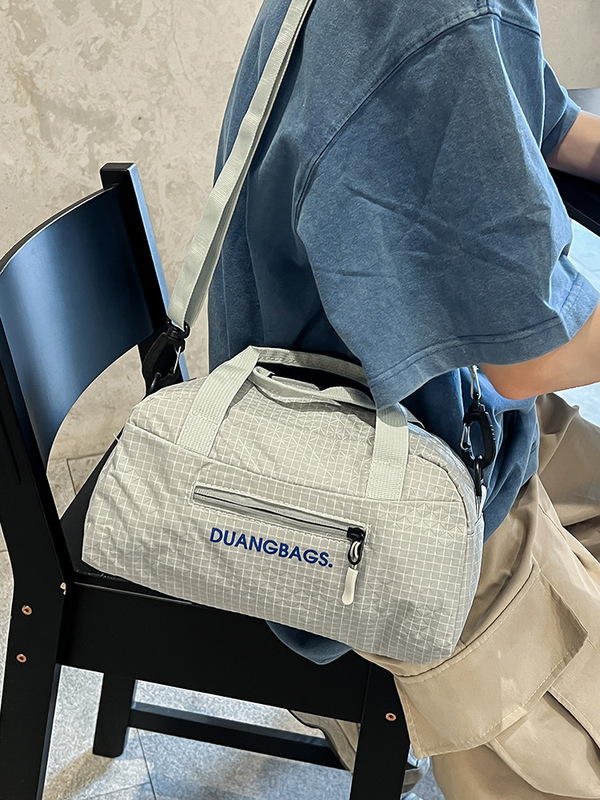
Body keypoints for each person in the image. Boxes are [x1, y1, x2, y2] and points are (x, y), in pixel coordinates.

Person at [207, 0, 600, 797]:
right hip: (374, 499)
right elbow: (530, 361)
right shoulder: (431, 12)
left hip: (419, 413)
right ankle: (393, 692)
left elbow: (546, 118)